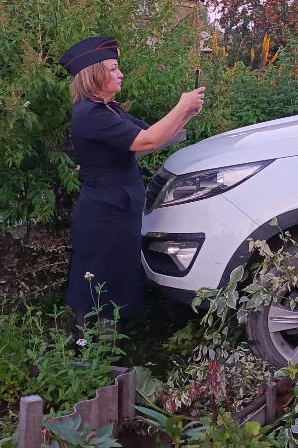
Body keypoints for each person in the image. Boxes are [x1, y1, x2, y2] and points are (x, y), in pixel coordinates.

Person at [59, 35, 204, 319]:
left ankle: (108, 347)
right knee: (97, 284)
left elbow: (155, 136)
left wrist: (187, 113)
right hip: (103, 214)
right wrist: (181, 105)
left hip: (116, 210)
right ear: (94, 74)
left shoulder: (109, 109)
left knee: (115, 282)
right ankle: (87, 347)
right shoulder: (90, 114)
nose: (120, 74)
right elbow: (149, 140)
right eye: (113, 68)